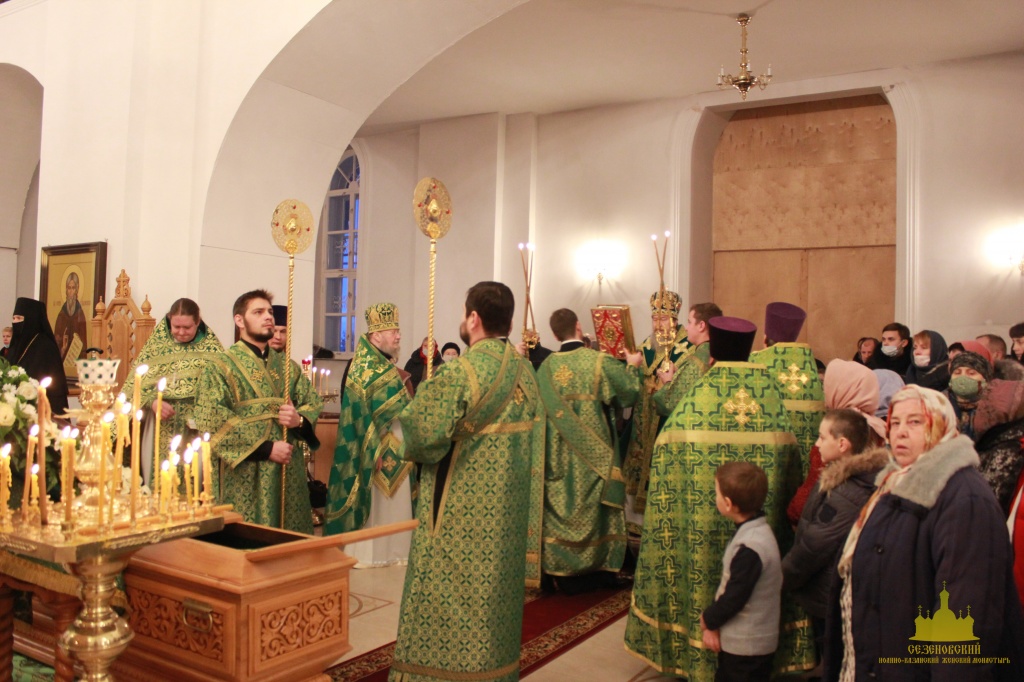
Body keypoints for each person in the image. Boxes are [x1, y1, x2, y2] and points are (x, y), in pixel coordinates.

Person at [624, 316, 812, 680]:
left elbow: (665, 456)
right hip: (762, 529)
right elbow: (792, 467)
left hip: (700, 533)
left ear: (711, 356)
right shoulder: (769, 400)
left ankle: (694, 648)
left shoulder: (697, 400)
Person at [389, 281, 543, 682]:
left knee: (448, 599)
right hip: (508, 519)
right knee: (494, 604)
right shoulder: (525, 371)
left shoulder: (460, 372)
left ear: (473, 319)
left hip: (459, 517)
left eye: (463, 312)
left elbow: (422, 437)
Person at [824, 385, 1024, 681]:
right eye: (895, 423)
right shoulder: (892, 484)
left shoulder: (965, 499)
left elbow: (965, 618)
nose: (901, 432)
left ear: (941, 425)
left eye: (915, 422)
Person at [195, 290, 322, 533]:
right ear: (239, 320)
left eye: (270, 312)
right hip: (245, 471)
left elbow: (312, 402)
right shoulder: (220, 366)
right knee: (249, 537)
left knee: (288, 536)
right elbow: (211, 417)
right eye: (258, 312)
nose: (268, 317)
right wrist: (266, 448)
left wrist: (298, 420)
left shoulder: (288, 367)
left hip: (287, 467)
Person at [536, 308, 641, 593]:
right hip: (594, 458)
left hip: (557, 458)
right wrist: (632, 365)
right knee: (597, 511)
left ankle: (561, 570)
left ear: (554, 334)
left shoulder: (545, 369)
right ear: (579, 326)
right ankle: (600, 569)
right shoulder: (598, 362)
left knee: (563, 507)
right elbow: (629, 393)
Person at [782, 409, 888, 664]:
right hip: (829, 592)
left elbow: (814, 546)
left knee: (834, 657)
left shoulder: (845, 492)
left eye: (822, 437)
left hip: (829, 594)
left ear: (842, 444)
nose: (817, 444)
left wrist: (782, 578)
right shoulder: (845, 477)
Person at [325, 302, 414, 567]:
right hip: (376, 447)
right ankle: (372, 555)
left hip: (398, 445)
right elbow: (359, 415)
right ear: (376, 336)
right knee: (378, 504)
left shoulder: (384, 364)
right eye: (393, 332)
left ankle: (398, 551)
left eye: (398, 331)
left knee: (396, 503)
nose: (398, 336)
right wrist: (372, 449)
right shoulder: (364, 367)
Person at [622, 293, 715, 532]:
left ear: (675, 319)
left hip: (665, 420)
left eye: (663, 319)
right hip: (643, 418)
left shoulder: (690, 347)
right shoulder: (648, 344)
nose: (658, 325)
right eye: (654, 319)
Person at [120, 298, 224, 474]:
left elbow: (222, 390)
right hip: (159, 426)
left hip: (196, 430)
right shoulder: (156, 348)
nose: (181, 332)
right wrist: (153, 402)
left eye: (187, 327)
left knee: (193, 480)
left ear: (197, 322)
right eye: (176, 327)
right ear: (169, 320)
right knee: (158, 478)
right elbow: (135, 387)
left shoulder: (213, 351)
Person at [700, 462, 781, 682]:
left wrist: (708, 620)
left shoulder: (751, 547)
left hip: (747, 648)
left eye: (717, 493)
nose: (715, 498)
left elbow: (734, 596)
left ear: (728, 504)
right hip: (746, 644)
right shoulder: (755, 531)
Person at [787, 359, 888, 525]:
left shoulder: (840, 428)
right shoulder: (877, 427)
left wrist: (793, 512)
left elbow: (811, 493)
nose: (824, 392)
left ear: (840, 389)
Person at [945, 343, 1024, 512]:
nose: (963, 378)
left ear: (985, 379)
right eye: (957, 372)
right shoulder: (942, 409)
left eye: (971, 373)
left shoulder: (1001, 412)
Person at [749, 301, 824, 477]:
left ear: (765, 339)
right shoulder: (809, 370)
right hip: (806, 467)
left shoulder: (756, 367)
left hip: (766, 465)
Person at [8, 297, 69, 415]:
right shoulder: (15, 345)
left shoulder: (46, 347)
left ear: (31, 319)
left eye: (19, 318)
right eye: (14, 318)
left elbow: (54, 390)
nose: (15, 322)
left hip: (41, 412)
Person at [53, 270, 89, 362]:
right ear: (66, 290)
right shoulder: (61, 314)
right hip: (63, 358)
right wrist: (61, 345)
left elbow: (83, 341)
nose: (71, 291)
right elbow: (56, 338)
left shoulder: (80, 313)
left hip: (76, 358)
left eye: (73, 288)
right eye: (69, 288)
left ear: (77, 290)